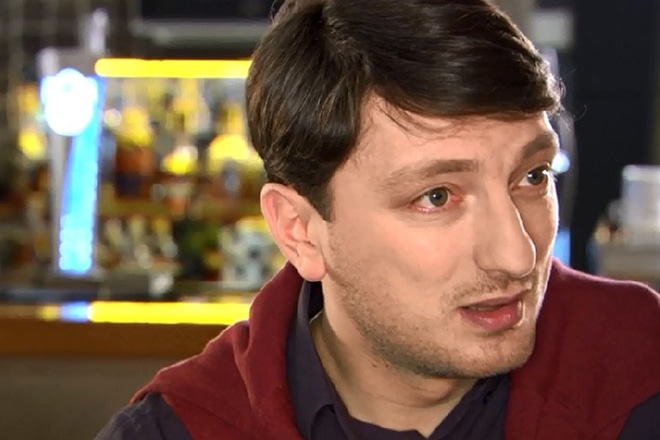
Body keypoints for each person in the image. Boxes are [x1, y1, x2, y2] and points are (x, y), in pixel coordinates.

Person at [95, 0, 660, 439]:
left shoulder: (642, 371)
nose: (518, 255)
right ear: (299, 230)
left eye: (533, 176)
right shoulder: (179, 430)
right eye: (436, 196)